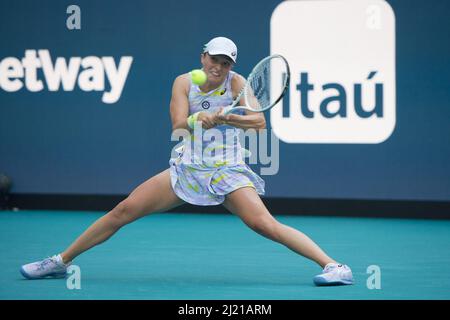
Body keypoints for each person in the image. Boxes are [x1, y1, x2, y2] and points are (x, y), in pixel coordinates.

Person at [20, 37, 353, 286]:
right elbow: (178, 124)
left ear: (231, 66)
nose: (218, 67)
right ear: (203, 56)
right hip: (188, 168)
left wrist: (226, 119)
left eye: (225, 63)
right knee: (123, 210)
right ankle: (61, 261)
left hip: (227, 169)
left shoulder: (238, 84)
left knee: (264, 225)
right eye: (214, 59)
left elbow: (259, 124)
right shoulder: (184, 82)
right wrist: (201, 119)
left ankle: (335, 266)